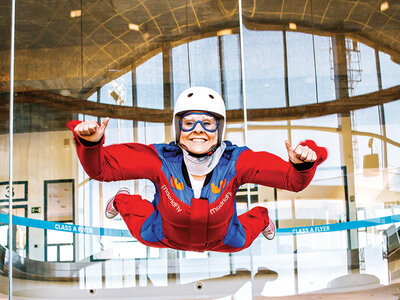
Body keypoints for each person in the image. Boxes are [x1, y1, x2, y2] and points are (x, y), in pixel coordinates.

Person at [67, 86, 327, 252]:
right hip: (162, 233)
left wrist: (302, 164)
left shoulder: (237, 161)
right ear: (177, 127)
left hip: (223, 237)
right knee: (140, 230)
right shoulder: (161, 159)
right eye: (189, 123)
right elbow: (102, 169)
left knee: (242, 241)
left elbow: (294, 182)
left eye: (208, 123)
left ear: (220, 128)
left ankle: (261, 216)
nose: (198, 130)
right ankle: (122, 199)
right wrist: (90, 144)